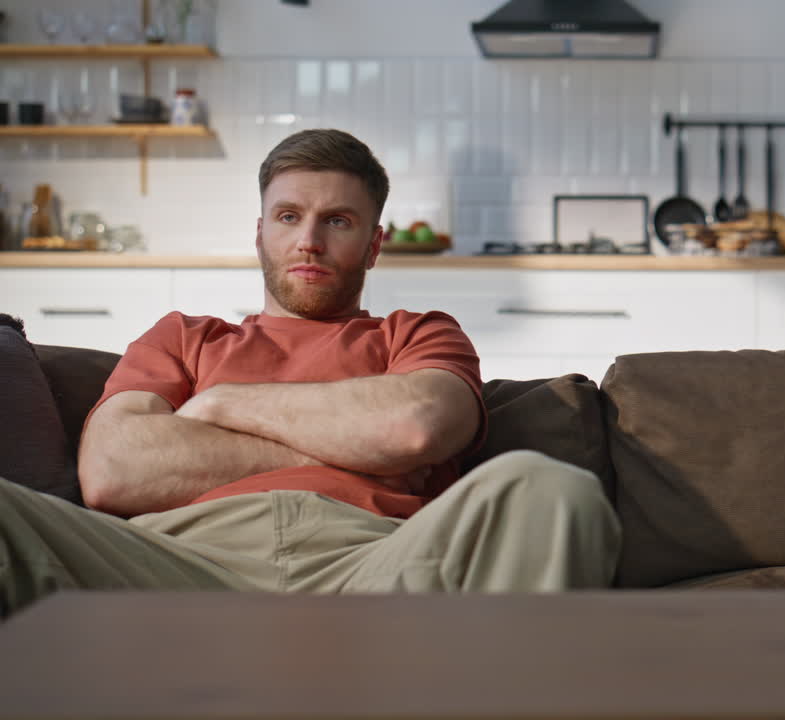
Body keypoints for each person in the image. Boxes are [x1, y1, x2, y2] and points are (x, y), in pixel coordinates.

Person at [0, 129, 620, 619]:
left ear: (373, 245)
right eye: (288, 216)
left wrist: (220, 405)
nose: (309, 241)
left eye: (338, 221)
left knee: (553, 489)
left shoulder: (417, 332)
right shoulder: (183, 337)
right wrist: (363, 452)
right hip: (176, 563)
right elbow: (111, 470)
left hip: (378, 561)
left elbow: (417, 427)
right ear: (260, 234)